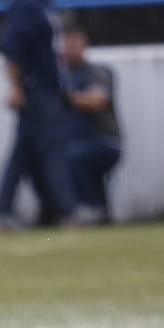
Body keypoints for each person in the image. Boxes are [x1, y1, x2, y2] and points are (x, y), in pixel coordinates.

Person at [0, 0, 76, 230]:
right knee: (54, 150)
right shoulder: (28, 6)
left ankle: (2, 213)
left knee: (21, 155)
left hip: (39, 90)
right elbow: (11, 47)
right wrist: (16, 86)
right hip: (37, 92)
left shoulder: (39, 5)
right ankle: (68, 211)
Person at [59, 27, 121, 225]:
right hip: (79, 141)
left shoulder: (98, 72)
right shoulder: (63, 77)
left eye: (74, 46)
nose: (70, 51)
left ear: (84, 47)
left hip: (106, 141)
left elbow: (97, 101)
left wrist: (67, 99)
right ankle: (98, 211)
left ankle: (90, 207)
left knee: (74, 156)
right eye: (66, 47)